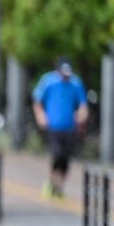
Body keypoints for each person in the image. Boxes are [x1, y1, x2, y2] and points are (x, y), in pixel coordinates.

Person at [32, 59, 89, 199]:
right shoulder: (48, 81)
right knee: (57, 154)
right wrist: (41, 116)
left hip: (69, 126)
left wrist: (82, 116)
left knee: (65, 158)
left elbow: (83, 104)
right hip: (53, 126)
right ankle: (52, 182)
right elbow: (37, 100)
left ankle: (60, 187)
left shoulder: (75, 83)